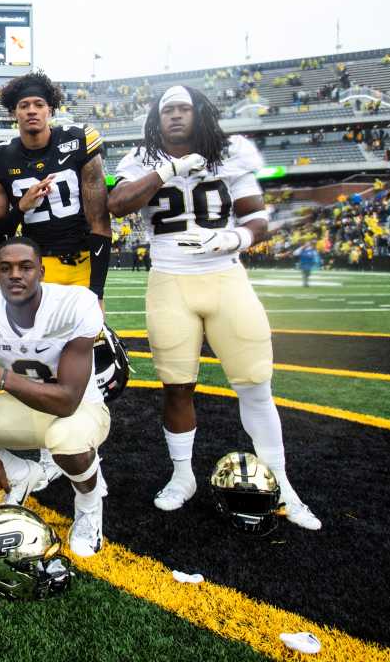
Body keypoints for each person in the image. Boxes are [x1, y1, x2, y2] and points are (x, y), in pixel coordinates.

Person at [107, 85, 319, 530]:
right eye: (169, 110)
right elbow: (118, 204)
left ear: (200, 113)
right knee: (177, 386)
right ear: (156, 118)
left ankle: (282, 482)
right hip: (169, 280)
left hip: (226, 276)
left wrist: (234, 238)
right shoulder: (140, 160)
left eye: (185, 108)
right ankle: (182, 476)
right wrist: (169, 170)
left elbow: (256, 216)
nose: (177, 116)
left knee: (256, 384)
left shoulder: (231, 153)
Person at [0, 237, 111, 557]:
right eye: (6, 268)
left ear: (41, 272)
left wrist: (1, 378)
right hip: (26, 404)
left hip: (80, 408)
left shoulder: (74, 305)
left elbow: (67, 400)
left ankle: (88, 506)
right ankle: (20, 474)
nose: (15, 274)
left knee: (66, 441)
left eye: (25, 267)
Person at [0, 71, 113, 491]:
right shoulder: (1, 156)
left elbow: (99, 219)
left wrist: (97, 291)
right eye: (23, 106)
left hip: (76, 267)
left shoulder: (77, 139)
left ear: (50, 109)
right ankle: (47, 452)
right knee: (39, 362)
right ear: (14, 114)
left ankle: (86, 446)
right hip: (34, 272)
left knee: (83, 364)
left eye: (38, 105)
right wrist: (22, 206)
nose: (31, 111)